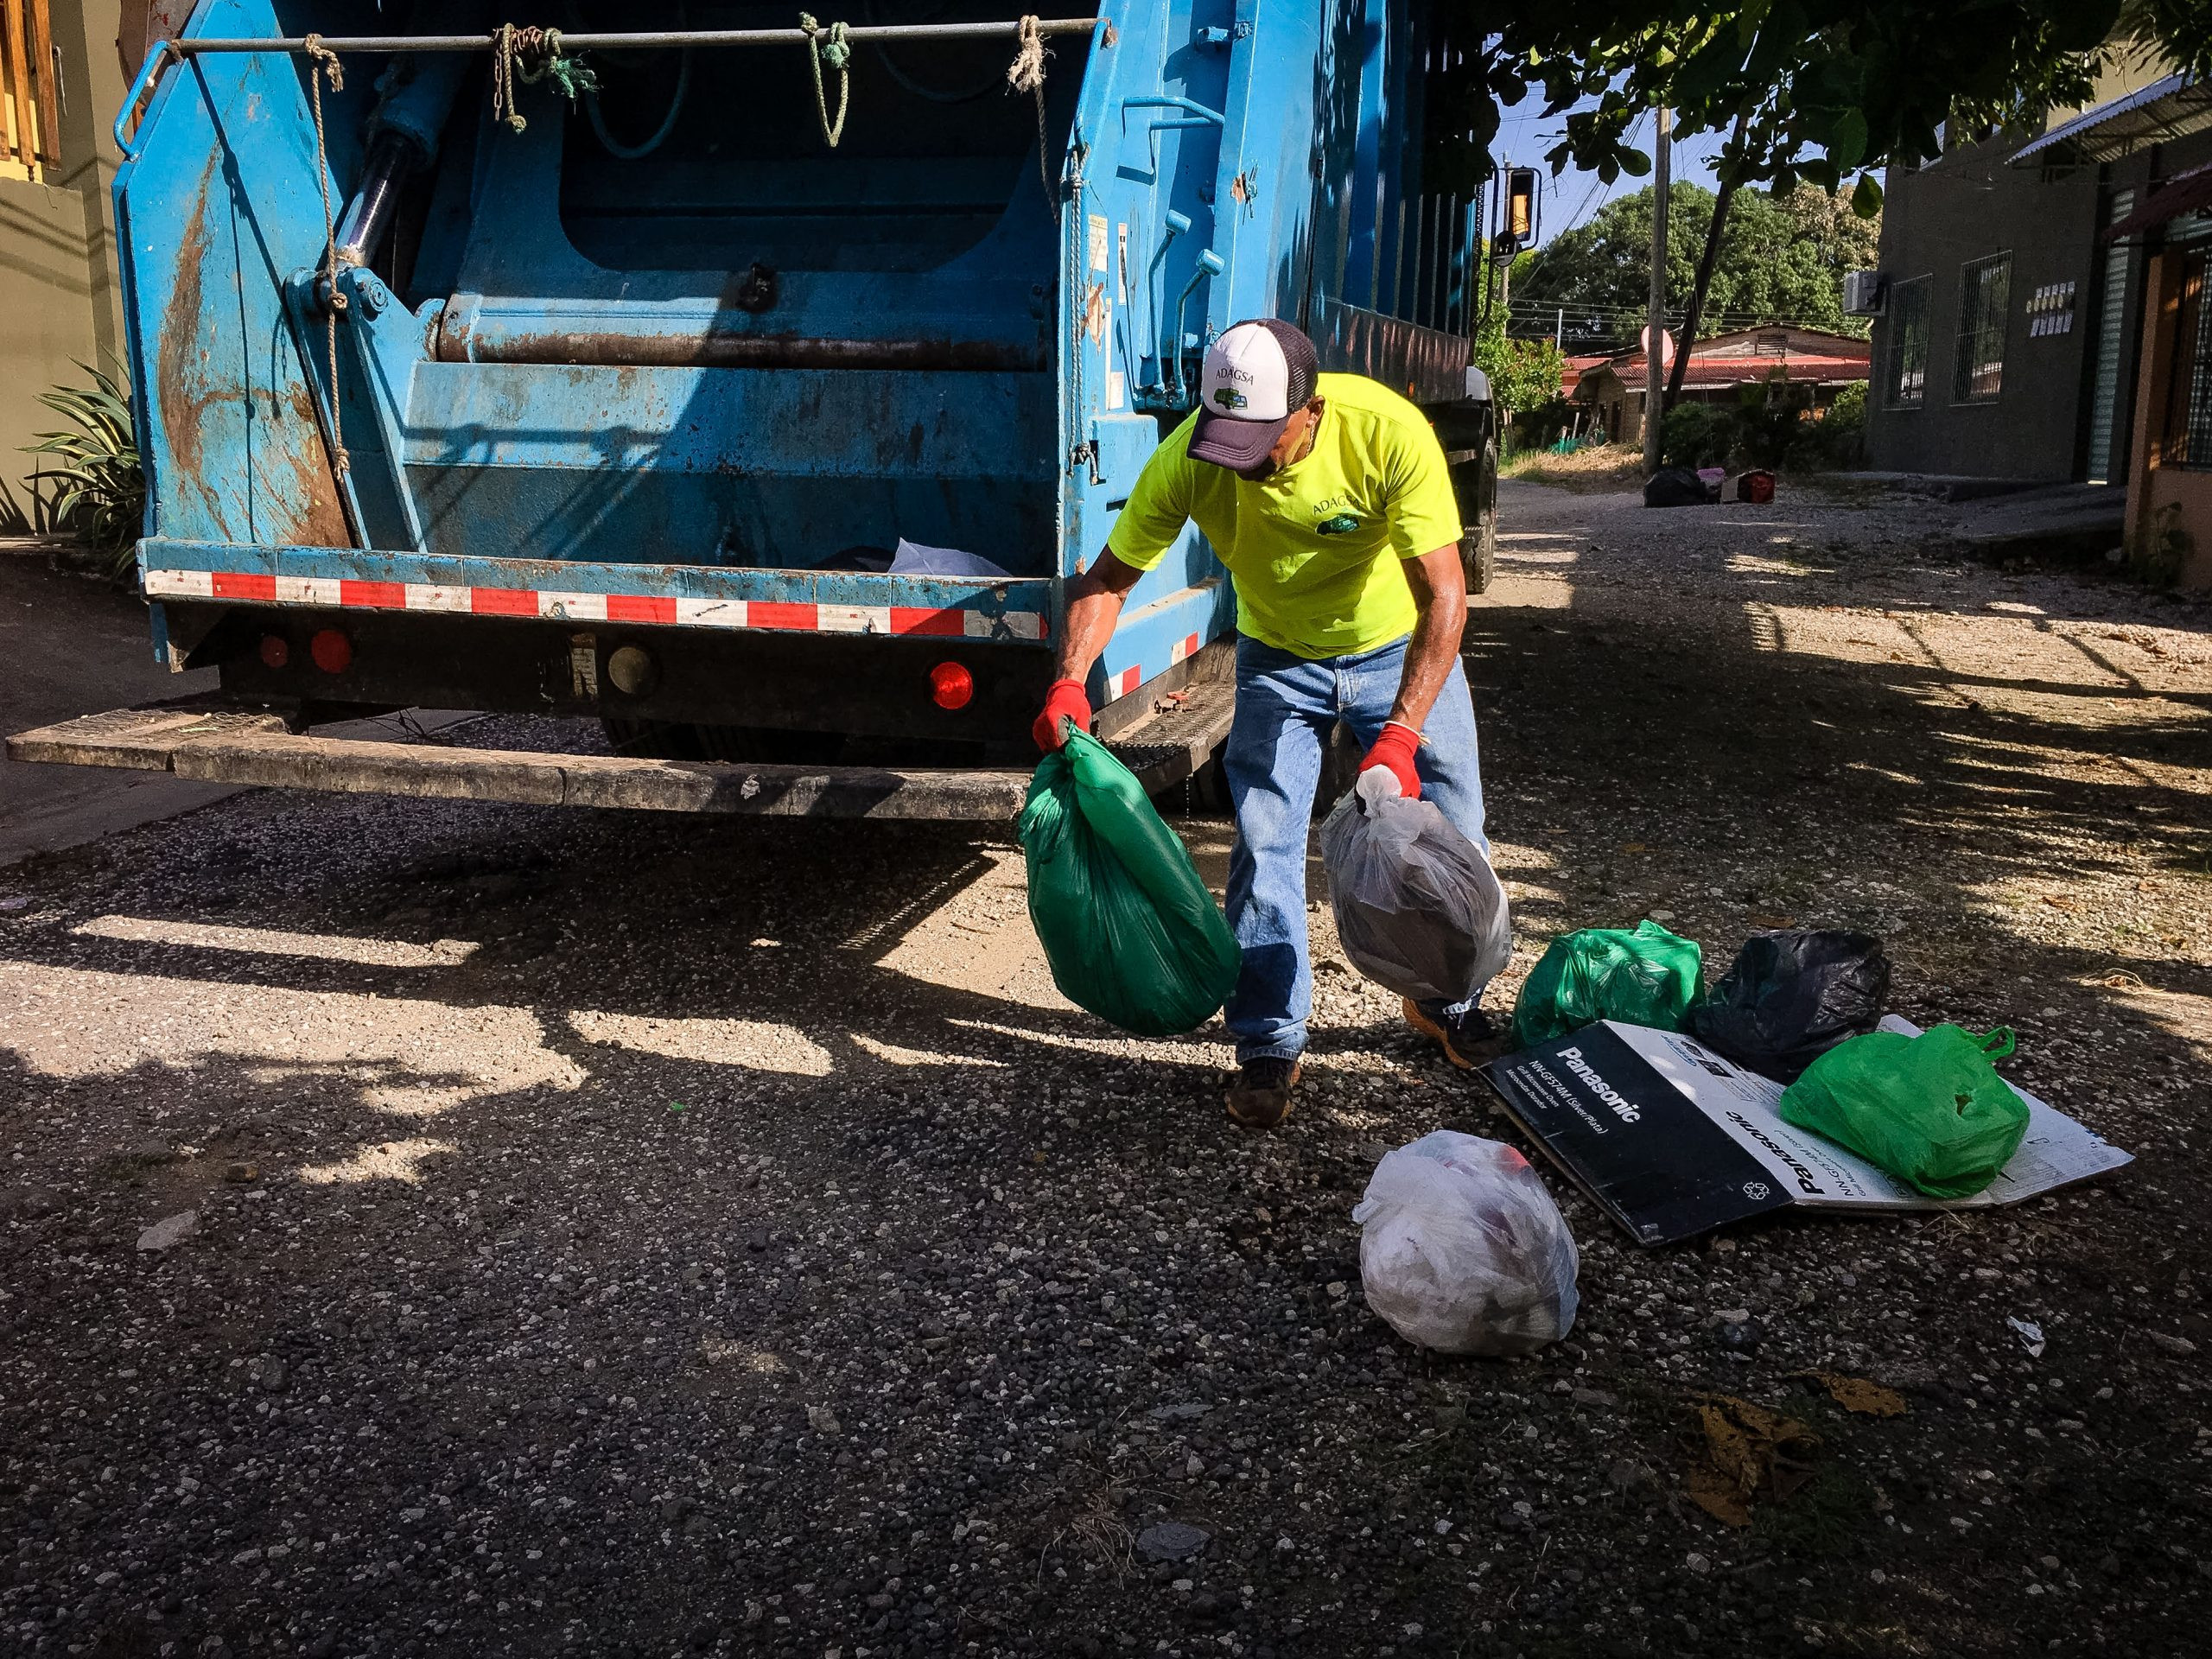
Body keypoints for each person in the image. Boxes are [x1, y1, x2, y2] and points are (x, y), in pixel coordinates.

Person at [1034, 317, 1495, 1129]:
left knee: (1452, 829)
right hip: (1278, 656)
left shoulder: (1388, 433)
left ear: (1310, 411)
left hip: (1397, 644)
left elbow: (1446, 598)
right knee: (1266, 838)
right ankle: (1268, 1043)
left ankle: (1448, 1002)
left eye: (1260, 438)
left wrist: (1401, 735)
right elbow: (1108, 578)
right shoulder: (1193, 456)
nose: (1238, 460)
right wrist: (1070, 684)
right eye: (1224, 434)